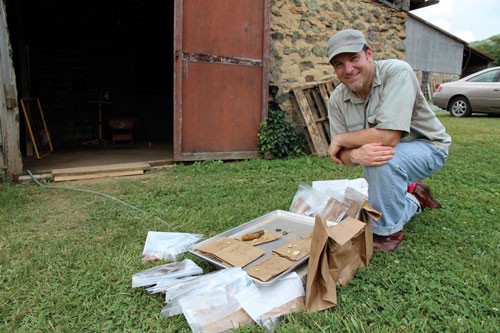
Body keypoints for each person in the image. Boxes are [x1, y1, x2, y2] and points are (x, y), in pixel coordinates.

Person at [325, 29, 451, 252]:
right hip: (392, 154)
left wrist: (343, 138)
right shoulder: (336, 99)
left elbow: (389, 137)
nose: (348, 69)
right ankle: (415, 198)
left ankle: (387, 234)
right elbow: (341, 154)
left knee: (380, 156)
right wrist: (353, 153)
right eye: (339, 64)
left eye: (354, 59)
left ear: (369, 55)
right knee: (377, 155)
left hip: (430, 146)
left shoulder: (397, 72)